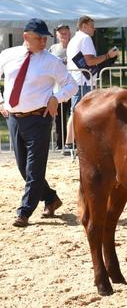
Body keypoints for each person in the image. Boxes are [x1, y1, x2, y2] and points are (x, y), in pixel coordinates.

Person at [0, 18, 77, 227]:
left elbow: (72, 85)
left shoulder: (51, 61)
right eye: (39, 38)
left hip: (40, 119)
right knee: (23, 168)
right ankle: (51, 198)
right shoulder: (7, 56)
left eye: (45, 38)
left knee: (34, 169)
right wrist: (1, 101)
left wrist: (56, 98)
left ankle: (24, 212)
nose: (44, 42)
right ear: (26, 37)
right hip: (14, 118)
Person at [64, 15, 119, 154]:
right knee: (78, 111)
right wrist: (108, 56)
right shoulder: (85, 39)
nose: (94, 29)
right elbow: (90, 61)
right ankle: (70, 143)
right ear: (84, 26)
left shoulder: (74, 39)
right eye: (91, 26)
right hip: (83, 80)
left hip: (78, 79)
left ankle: (69, 143)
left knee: (75, 111)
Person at [48, 24, 72, 149]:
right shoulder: (53, 48)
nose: (63, 35)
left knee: (72, 115)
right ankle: (60, 143)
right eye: (60, 33)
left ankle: (72, 142)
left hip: (72, 86)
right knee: (59, 117)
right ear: (57, 35)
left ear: (69, 34)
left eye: (65, 33)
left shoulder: (73, 47)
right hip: (58, 88)